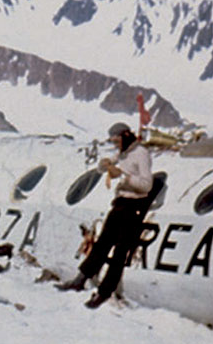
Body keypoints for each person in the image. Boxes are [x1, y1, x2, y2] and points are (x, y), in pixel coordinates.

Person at [55, 122, 154, 309]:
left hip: (134, 207)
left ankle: (104, 292)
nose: (115, 144)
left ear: (125, 136)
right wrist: (103, 166)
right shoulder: (124, 152)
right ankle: (80, 279)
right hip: (120, 204)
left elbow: (146, 185)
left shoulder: (141, 153)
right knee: (101, 245)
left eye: (116, 140)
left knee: (119, 253)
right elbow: (107, 167)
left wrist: (125, 177)